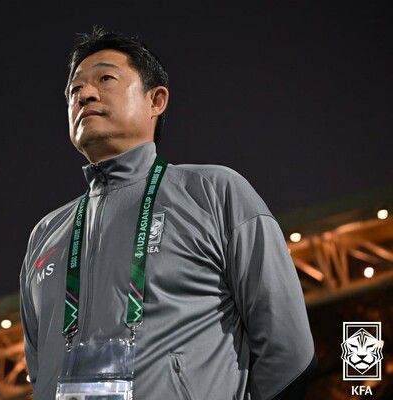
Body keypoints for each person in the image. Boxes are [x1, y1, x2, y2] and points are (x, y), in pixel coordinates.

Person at [19, 27, 317, 400]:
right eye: (74, 90)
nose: (85, 94)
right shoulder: (46, 234)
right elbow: (38, 370)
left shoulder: (213, 193)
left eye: (105, 79)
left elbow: (288, 352)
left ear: (156, 100)